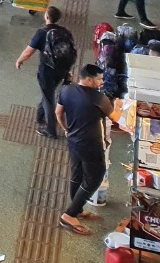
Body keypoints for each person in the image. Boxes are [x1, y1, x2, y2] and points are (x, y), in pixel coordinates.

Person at [56, 64, 123, 236]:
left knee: (77, 174)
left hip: (73, 141)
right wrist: (120, 106)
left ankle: (76, 209)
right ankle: (69, 215)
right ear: (88, 79)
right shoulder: (99, 98)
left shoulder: (66, 90)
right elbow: (116, 118)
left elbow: (58, 112)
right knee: (94, 178)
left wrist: (66, 129)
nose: (101, 82)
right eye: (99, 79)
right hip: (91, 145)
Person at [15, 6, 76, 139]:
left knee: (49, 99)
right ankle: (40, 116)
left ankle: (51, 130)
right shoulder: (65, 32)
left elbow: (28, 51)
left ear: (47, 17)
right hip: (62, 70)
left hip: (47, 71)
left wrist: (19, 60)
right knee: (47, 93)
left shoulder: (42, 33)